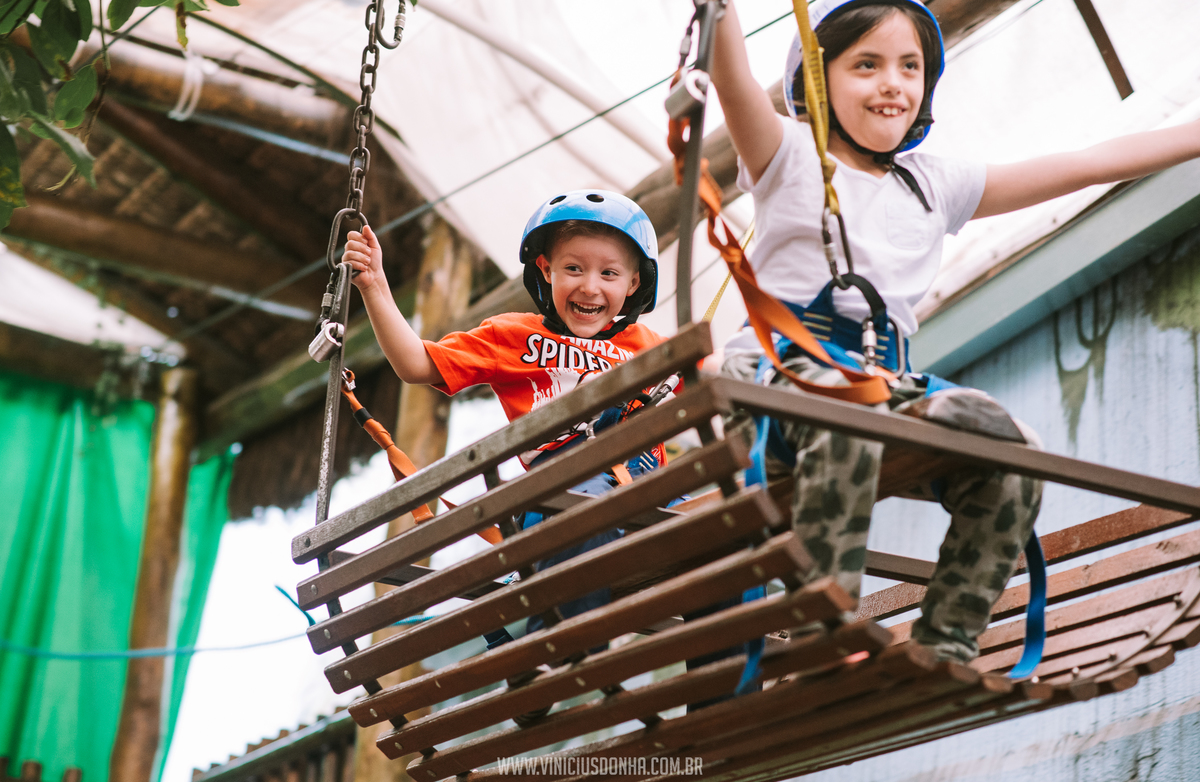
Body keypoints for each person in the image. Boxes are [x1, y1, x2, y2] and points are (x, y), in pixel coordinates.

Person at [708, 0, 1200, 663]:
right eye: (866, 65)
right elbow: (732, 75)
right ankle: (822, 628)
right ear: (816, 82)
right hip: (773, 382)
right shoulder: (787, 154)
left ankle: (946, 639)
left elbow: (1089, 161)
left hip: (877, 386)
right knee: (846, 414)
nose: (893, 83)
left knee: (1012, 449)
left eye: (910, 66)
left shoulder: (934, 185)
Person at [344, 189, 672, 644]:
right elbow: (417, 364)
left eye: (609, 273)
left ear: (633, 284)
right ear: (546, 270)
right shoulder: (512, 336)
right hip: (566, 493)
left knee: (724, 527)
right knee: (583, 514)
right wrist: (374, 286)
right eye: (573, 268)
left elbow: (713, 371)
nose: (590, 286)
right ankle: (562, 651)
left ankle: (734, 671)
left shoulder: (648, 346)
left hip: (649, 490)